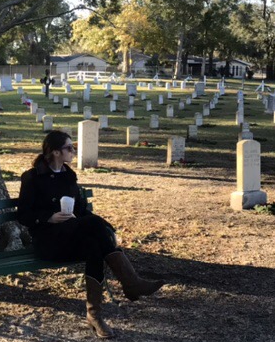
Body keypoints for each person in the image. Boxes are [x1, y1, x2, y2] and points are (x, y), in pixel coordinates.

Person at [16, 129, 164, 300]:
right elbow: (23, 215)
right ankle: (132, 283)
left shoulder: (68, 176)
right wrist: (49, 217)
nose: (73, 151)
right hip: (47, 241)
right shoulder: (33, 177)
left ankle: (95, 310)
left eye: (73, 147)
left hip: (69, 237)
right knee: (94, 223)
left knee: (94, 246)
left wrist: (83, 219)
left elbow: (80, 210)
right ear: (56, 152)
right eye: (69, 148)